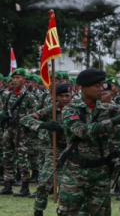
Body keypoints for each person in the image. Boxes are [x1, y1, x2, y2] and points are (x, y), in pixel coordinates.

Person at [58, 68, 120, 215]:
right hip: (76, 171)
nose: (101, 89)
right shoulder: (70, 109)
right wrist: (113, 123)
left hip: (101, 172)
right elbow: (83, 131)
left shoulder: (108, 108)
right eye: (96, 86)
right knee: (68, 212)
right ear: (82, 88)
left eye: (102, 85)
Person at [21, 82, 72, 215]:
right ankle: (38, 210)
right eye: (61, 96)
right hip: (54, 150)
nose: (65, 99)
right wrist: (44, 125)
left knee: (68, 186)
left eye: (67, 95)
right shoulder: (51, 110)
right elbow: (26, 119)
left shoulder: (78, 109)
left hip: (73, 152)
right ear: (55, 97)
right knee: (44, 182)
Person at [0, 68, 38, 197]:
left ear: (24, 79)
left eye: (18, 78)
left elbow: (35, 113)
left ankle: (25, 186)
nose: (15, 80)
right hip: (9, 129)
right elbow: (2, 109)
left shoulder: (29, 96)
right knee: (7, 157)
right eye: (14, 78)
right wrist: (3, 115)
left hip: (22, 131)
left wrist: (25, 123)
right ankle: (8, 185)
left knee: (23, 159)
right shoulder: (8, 94)